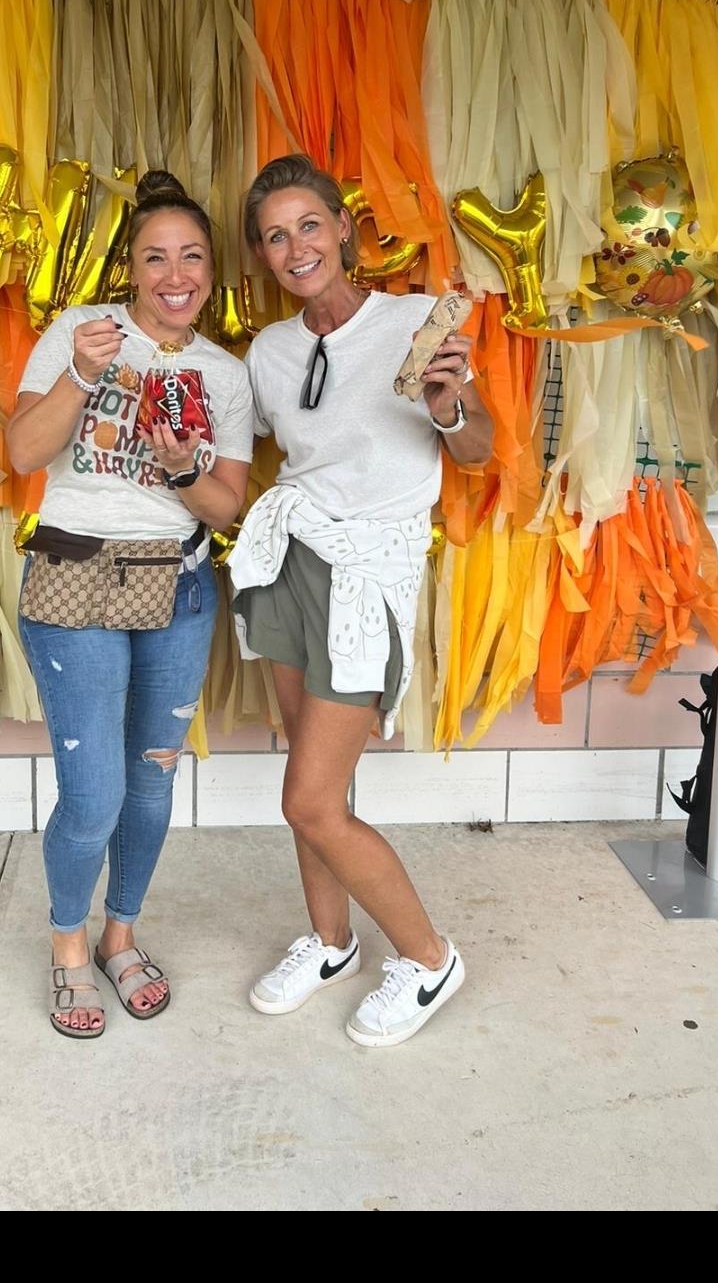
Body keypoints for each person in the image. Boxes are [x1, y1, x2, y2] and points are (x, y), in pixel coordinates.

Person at [228, 154, 493, 1048]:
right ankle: (331, 941)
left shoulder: (418, 321)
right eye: (274, 236)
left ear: (343, 229)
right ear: (261, 255)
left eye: (308, 225)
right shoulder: (268, 351)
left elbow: (476, 451)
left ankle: (426, 958)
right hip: (289, 562)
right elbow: (255, 448)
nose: (294, 247)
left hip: (369, 574)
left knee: (307, 800)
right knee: (317, 780)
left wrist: (451, 409)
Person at [8, 171, 253, 1040]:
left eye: (190, 256)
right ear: (133, 268)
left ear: (210, 271)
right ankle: (67, 946)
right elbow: (23, 449)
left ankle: (121, 934)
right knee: (94, 793)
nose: (173, 273)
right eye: (156, 256)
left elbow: (227, 508)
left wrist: (184, 467)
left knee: (151, 786)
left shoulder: (223, 374)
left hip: (180, 589)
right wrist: (82, 373)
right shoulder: (81, 332)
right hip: (77, 581)